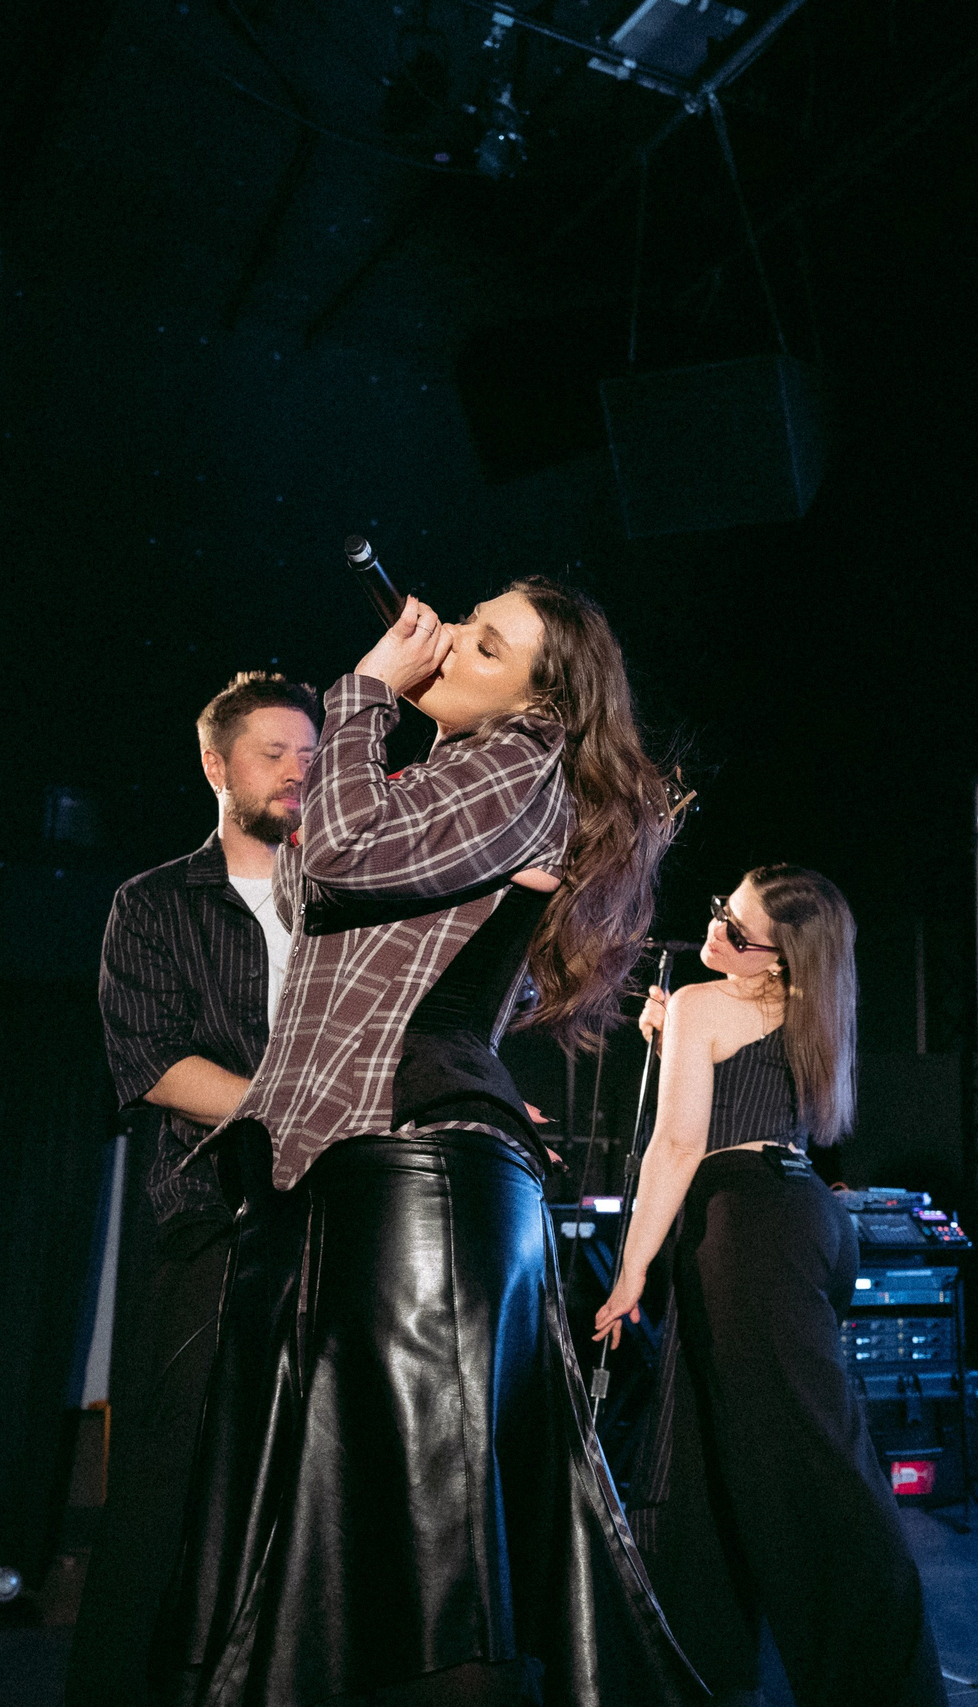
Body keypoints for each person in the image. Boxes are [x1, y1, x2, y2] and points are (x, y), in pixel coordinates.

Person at [157, 585, 701, 1707]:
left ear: (543, 697)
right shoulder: (430, 780)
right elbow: (323, 878)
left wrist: (360, 693)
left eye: (487, 643)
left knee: (431, 1567)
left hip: (419, 1172)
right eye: (468, 620)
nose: (451, 640)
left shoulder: (523, 759)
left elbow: (341, 856)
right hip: (344, 1167)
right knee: (330, 1562)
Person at [592, 867, 945, 1707]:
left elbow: (678, 1148)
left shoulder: (700, 1005)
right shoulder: (806, 1015)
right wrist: (671, 1036)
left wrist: (631, 1266)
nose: (716, 935)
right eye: (722, 912)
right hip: (803, 1221)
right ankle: (697, 1677)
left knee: (816, 1482)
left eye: (738, 937)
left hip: (746, 1232)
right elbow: (738, 1100)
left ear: (779, 963)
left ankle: (888, 1691)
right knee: (704, 1467)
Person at [72, 670, 319, 1707]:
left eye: (312, 754)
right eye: (274, 753)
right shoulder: (153, 902)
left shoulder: (352, 892)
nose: (299, 772)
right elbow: (154, 1065)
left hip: (344, 1218)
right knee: (170, 1485)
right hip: (213, 1218)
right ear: (217, 765)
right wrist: (298, 1109)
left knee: (321, 1486)